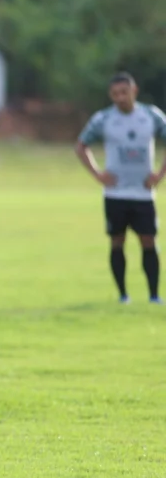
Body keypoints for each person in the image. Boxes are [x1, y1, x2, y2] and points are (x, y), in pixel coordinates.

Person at [75, 72, 166, 304]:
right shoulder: (103, 119)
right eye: (115, 94)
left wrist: (159, 175)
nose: (120, 98)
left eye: (124, 92)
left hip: (143, 194)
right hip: (115, 194)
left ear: (134, 91)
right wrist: (97, 174)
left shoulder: (151, 116)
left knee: (148, 241)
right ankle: (123, 295)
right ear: (110, 95)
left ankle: (154, 296)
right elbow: (81, 146)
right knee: (117, 241)